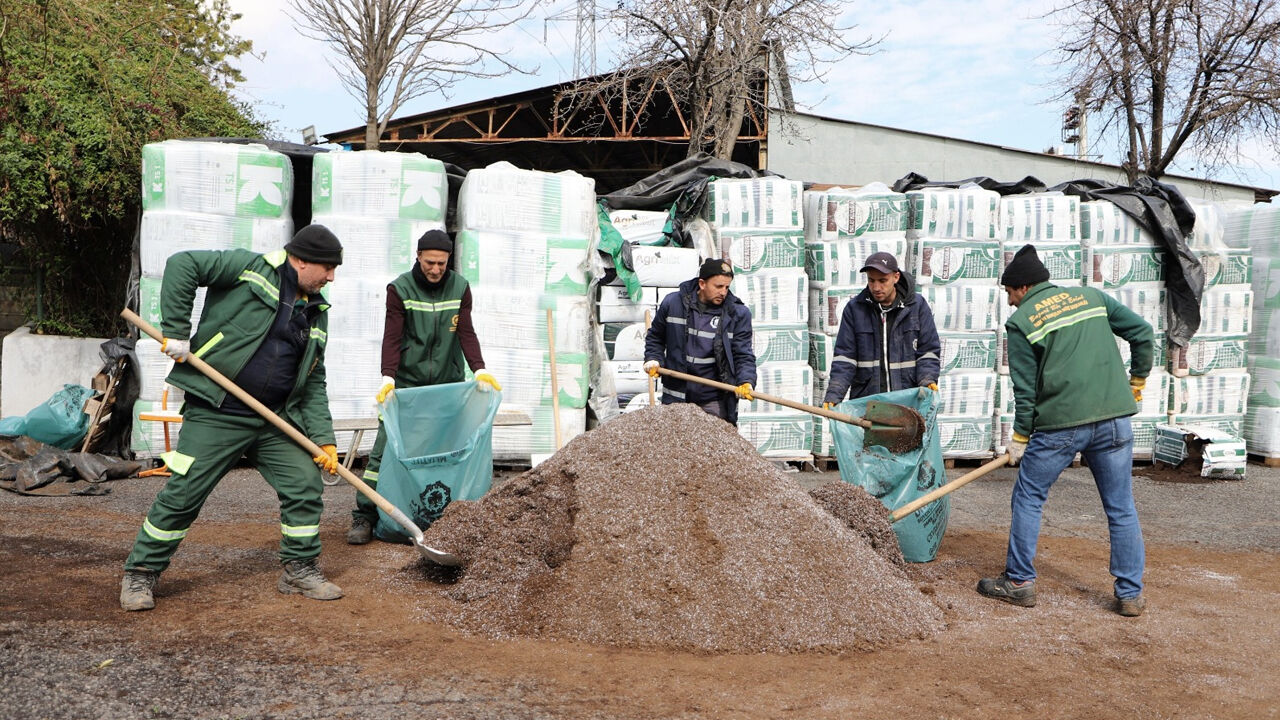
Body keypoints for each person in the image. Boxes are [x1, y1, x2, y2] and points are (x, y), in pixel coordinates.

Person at [120, 225, 346, 612]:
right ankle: (141, 573)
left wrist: (324, 439)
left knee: (305, 485)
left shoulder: (317, 313)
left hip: (274, 420)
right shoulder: (249, 268)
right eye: (327, 268)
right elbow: (182, 264)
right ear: (301, 259)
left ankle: (299, 569)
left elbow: (313, 382)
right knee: (185, 493)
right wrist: (176, 331)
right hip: (218, 411)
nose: (331, 277)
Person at [978, 244, 1153, 617]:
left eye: (1009, 293)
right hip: (1114, 420)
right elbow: (1142, 332)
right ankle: (1130, 594)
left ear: (1023, 288)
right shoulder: (1092, 298)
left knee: (1029, 496)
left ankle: (1020, 582)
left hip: (1060, 426)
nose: (1009, 302)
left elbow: (1025, 392)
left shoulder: (1022, 321)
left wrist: (1020, 438)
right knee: (1121, 507)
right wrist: (1137, 380)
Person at [346, 229, 500, 545]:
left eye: (442, 264)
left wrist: (479, 370)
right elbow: (392, 337)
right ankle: (365, 515)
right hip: (407, 386)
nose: (435, 269)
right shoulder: (400, 289)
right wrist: (388, 377)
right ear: (418, 257)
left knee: (443, 450)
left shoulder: (460, 288)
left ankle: (441, 516)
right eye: (430, 262)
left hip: (446, 385)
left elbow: (466, 333)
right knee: (383, 451)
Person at [643, 258, 756, 424]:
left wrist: (746, 380)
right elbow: (656, 337)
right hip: (676, 396)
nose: (724, 292)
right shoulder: (673, 304)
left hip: (713, 400)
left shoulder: (737, 314)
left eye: (727, 287)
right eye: (718, 286)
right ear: (702, 284)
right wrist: (653, 358)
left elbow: (743, 353)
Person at [822, 251, 940, 407]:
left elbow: (928, 351)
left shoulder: (917, 307)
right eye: (871, 280)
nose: (876, 287)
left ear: (896, 277)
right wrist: (834, 394)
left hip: (908, 402)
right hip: (869, 403)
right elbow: (845, 358)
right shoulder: (855, 309)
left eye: (883, 280)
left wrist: (927, 379)